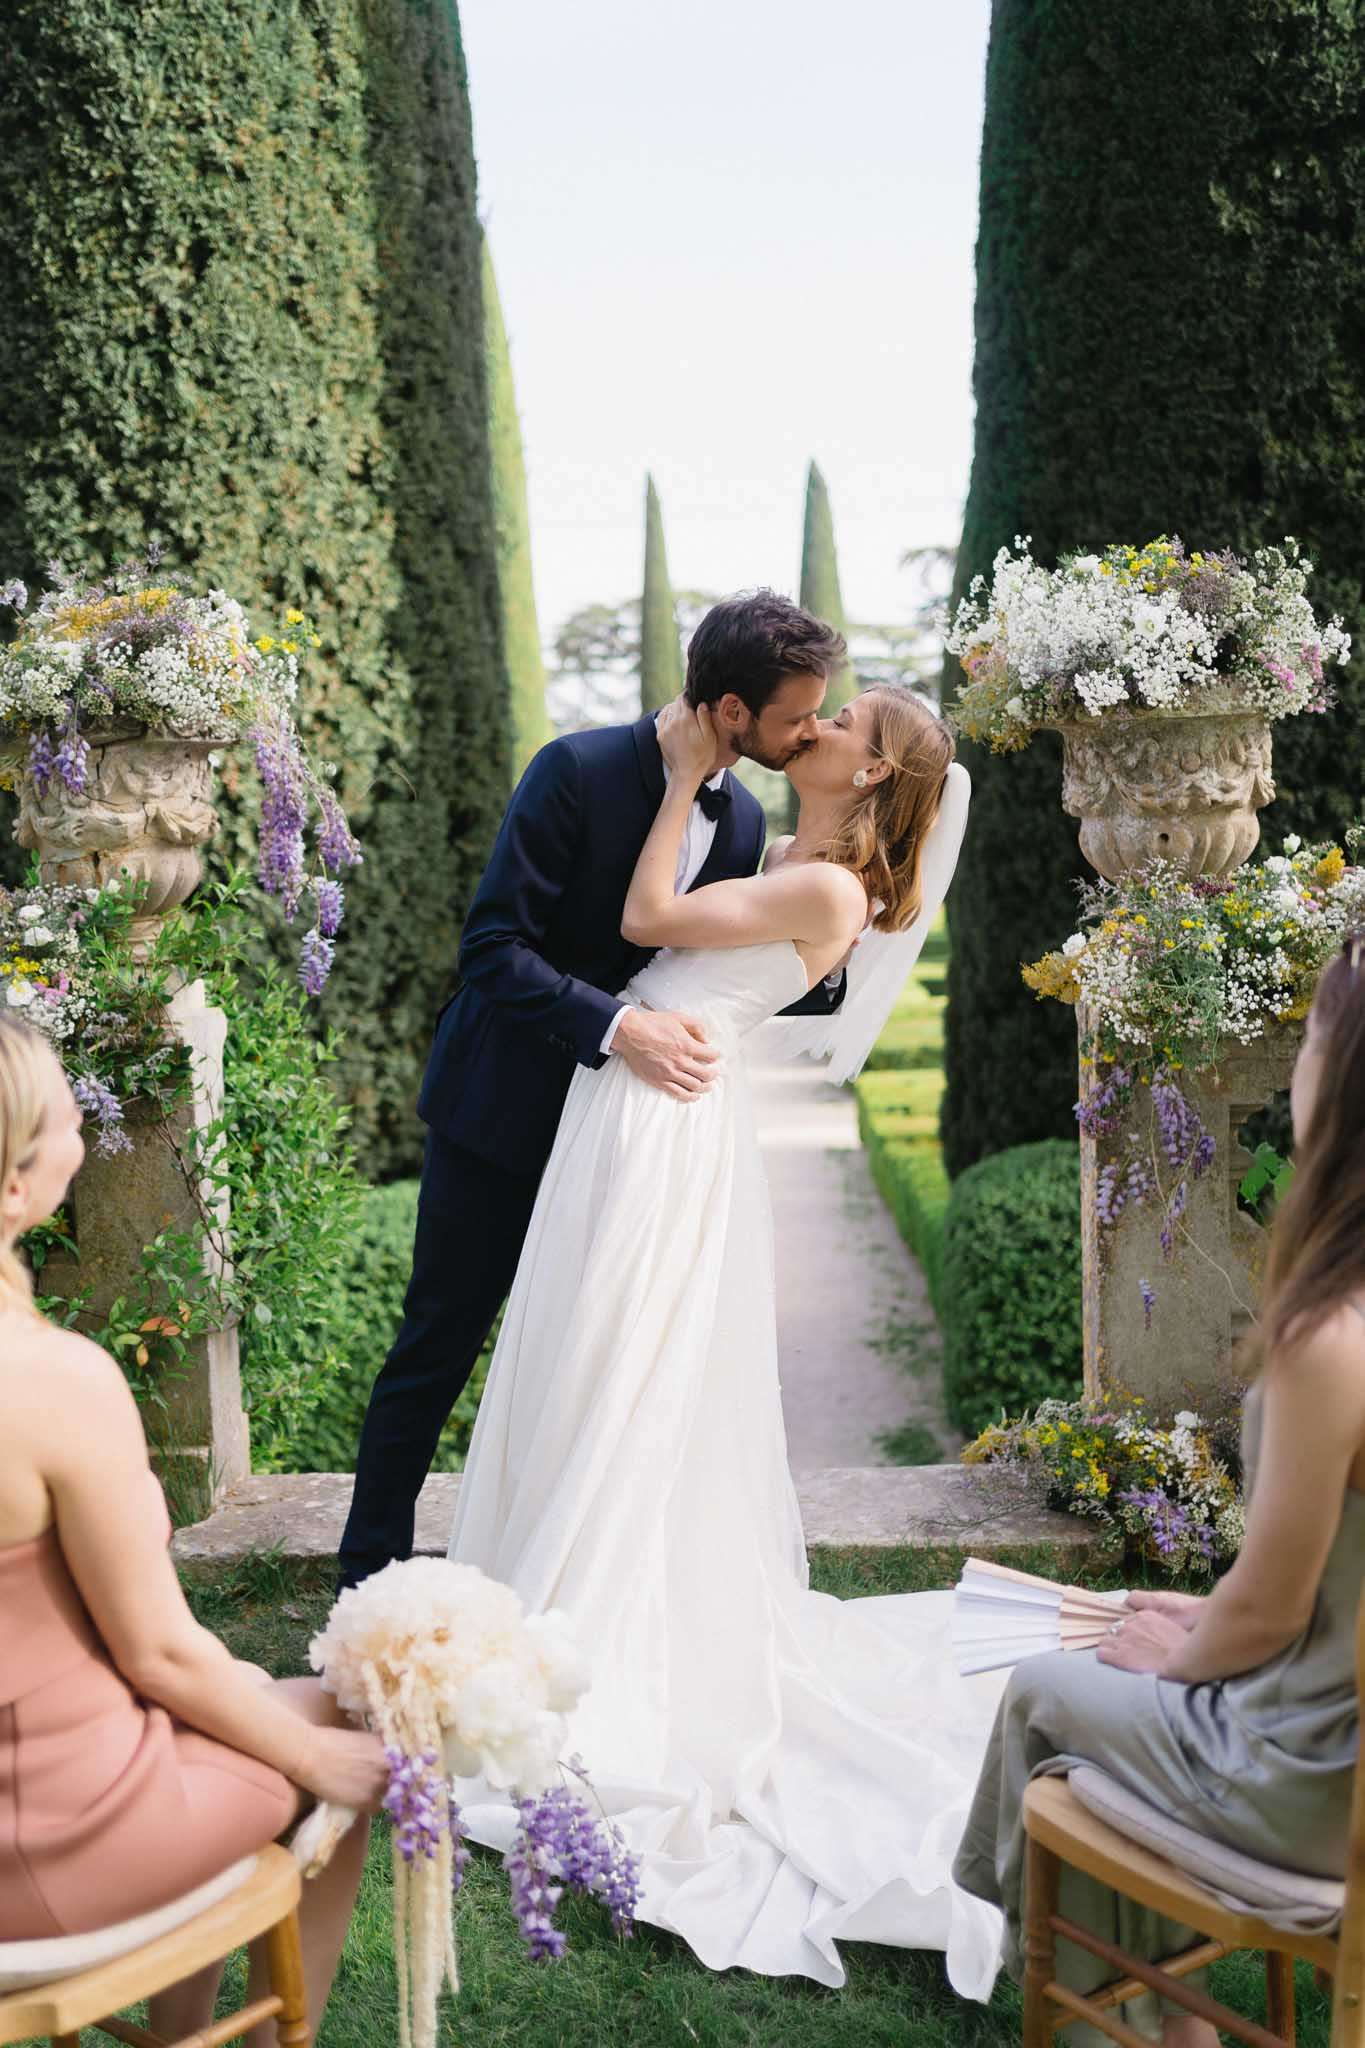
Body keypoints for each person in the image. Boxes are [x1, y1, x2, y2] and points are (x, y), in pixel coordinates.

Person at [446, 685, 1009, 1995]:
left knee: (624, 1375)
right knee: (592, 1361)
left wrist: (680, 767)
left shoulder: (828, 894)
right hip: (634, 1103)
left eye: (841, 718)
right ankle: (546, 1593)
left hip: (663, 1129)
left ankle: (589, 1629)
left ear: (870, 772)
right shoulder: (784, 855)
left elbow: (648, 924)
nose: (809, 724)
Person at [338, 591, 851, 1592]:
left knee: (586, 1368)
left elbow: (709, 969)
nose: (809, 731)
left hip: (625, 1143)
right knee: (436, 1347)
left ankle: (553, 1573)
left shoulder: (742, 815)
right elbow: (492, 947)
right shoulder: (574, 768)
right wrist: (621, 1029)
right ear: (735, 711)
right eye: (796, 714)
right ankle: (367, 1579)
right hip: (504, 1112)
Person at [954, 929, 1365, 2048]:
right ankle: (1167, 2026)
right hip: (1336, 1735)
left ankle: (1096, 2019)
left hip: (1309, 1784)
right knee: (1123, 1675)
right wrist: (1207, 1625)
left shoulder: (1333, 1333)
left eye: (1317, 1030)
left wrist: (1186, 1655)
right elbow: (1323, 1592)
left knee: (1050, 1692)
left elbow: (1274, 1609)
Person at [0, 1022, 387, 2045]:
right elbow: (159, 1651)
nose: (85, 1126)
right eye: (67, 1117)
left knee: (257, 1703)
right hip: (44, 1848)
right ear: (11, 1188)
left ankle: (184, 2031)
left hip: (44, 1794)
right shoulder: (51, 1381)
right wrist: (322, 1763)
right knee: (343, 1725)